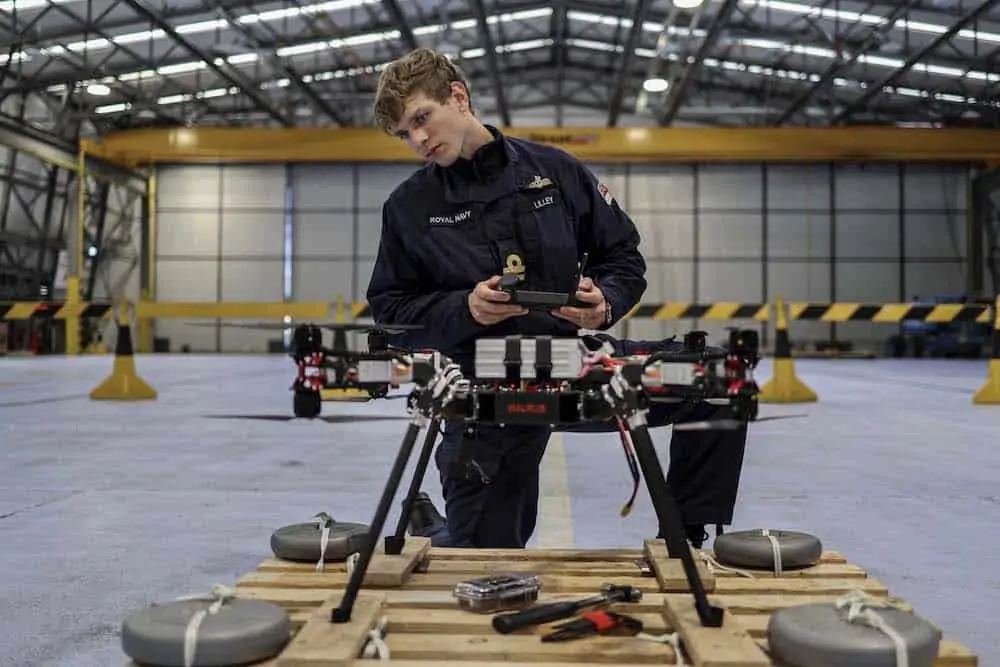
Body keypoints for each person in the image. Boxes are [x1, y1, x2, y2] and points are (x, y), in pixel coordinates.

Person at [365, 47, 748, 550]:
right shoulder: (409, 208)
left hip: (576, 366)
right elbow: (391, 309)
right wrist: (466, 309)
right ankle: (437, 527)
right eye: (404, 134)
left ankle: (687, 540)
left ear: (458, 97)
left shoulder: (556, 172)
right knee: (482, 559)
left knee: (716, 380)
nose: (417, 140)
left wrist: (604, 301)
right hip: (484, 388)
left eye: (421, 119)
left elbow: (623, 259)